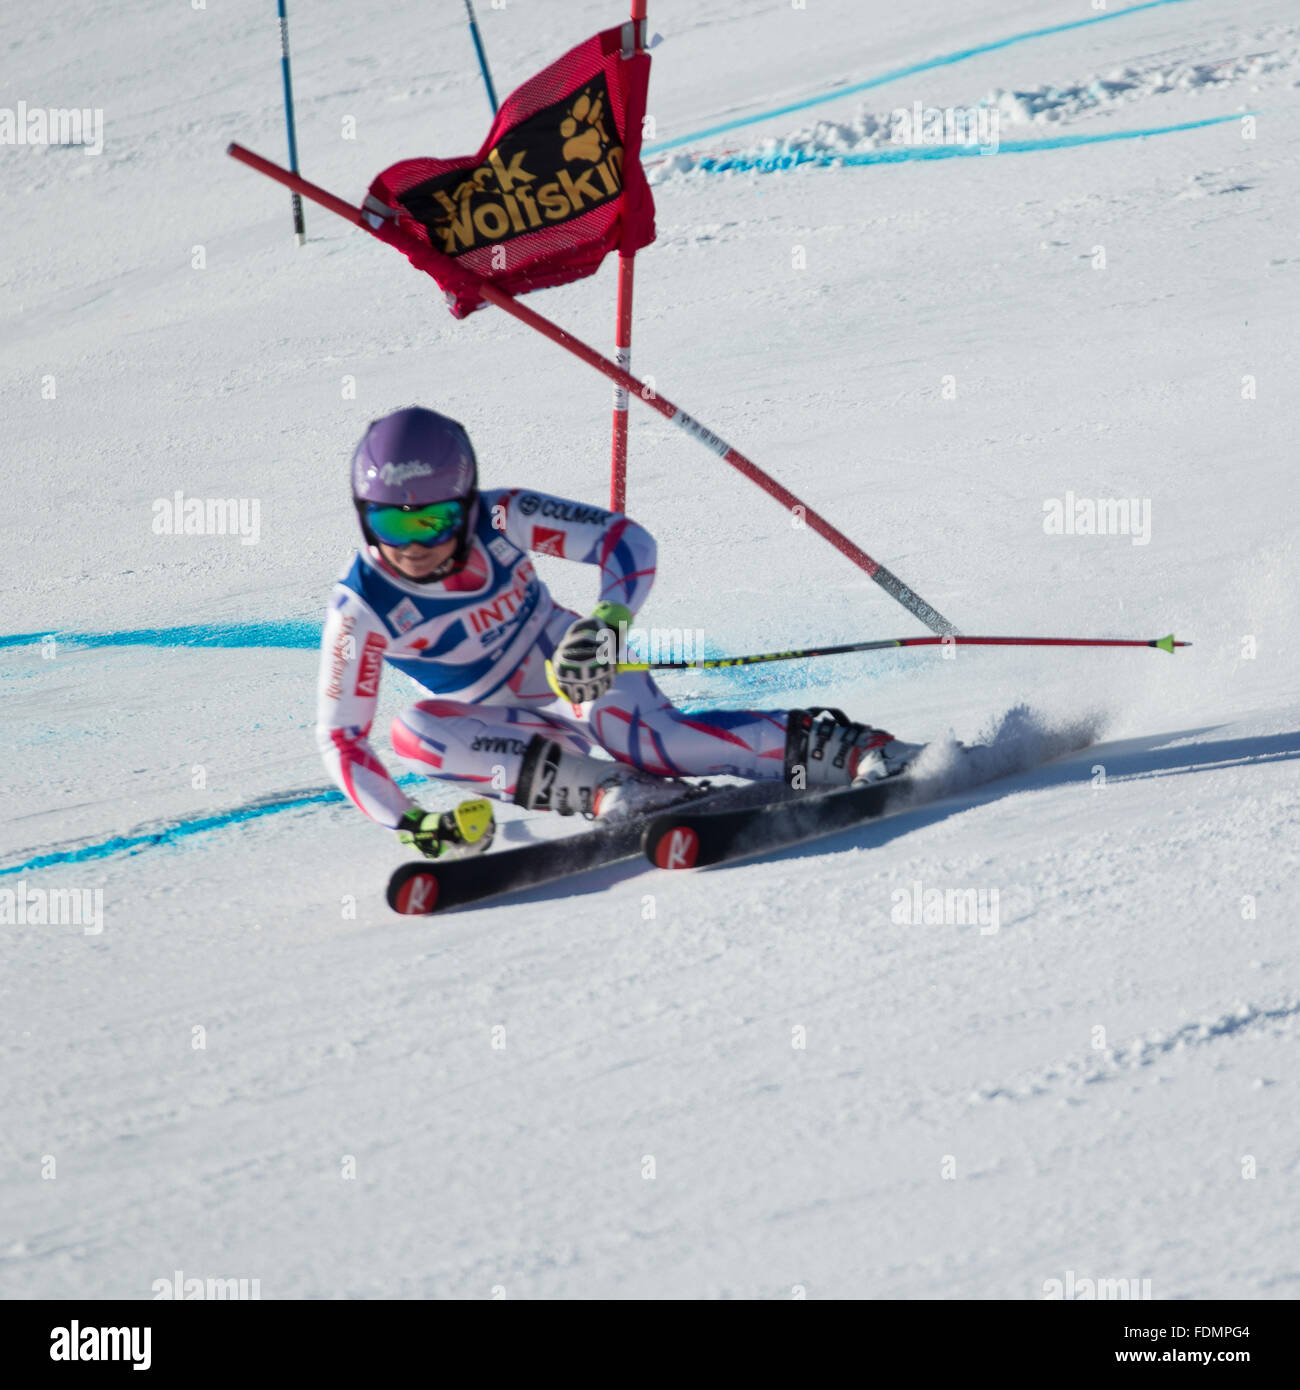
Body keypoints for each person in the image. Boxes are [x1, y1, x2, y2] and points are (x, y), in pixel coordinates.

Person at [316, 406, 919, 859]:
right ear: (361, 514)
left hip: (577, 663)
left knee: (656, 743)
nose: (415, 545)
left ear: (466, 502)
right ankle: (619, 793)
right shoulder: (361, 607)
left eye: (435, 519)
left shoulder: (501, 516)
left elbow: (624, 541)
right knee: (413, 733)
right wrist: (410, 822)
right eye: (392, 522)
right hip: (510, 730)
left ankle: (852, 749)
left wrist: (607, 624)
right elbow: (342, 738)